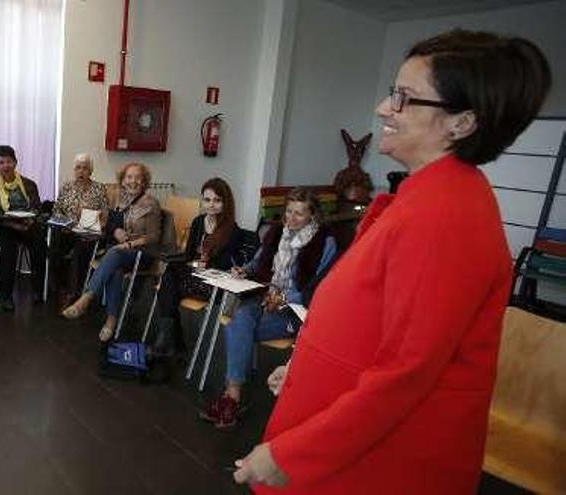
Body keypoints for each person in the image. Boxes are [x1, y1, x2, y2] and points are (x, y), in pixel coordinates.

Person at [232, 29, 551, 494]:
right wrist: (304, 369)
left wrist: (294, 453)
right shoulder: (426, 199)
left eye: (404, 98)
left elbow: (407, 372)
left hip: (381, 462)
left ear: (462, 122)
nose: (384, 108)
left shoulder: (446, 216)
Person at [202, 188, 336, 428]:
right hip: (265, 296)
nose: (291, 219)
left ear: (313, 216)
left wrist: (284, 297)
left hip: (294, 308)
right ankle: (232, 398)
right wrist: (246, 270)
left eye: (299, 214)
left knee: (237, 326)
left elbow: (319, 288)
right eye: (288, 212)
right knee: (241, 319)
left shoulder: (325, 242)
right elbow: (259, 261)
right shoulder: (277, 232)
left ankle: (231, 398)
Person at [61, 162, 161, 342]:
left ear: (144, 181)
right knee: (115, 268)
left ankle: (86, 298)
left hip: (142, 253)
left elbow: (154, 237)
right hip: (120, 254)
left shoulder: (151, 204)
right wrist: (115, 231)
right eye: (129, 177)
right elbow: (110, 226)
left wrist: (129, 245)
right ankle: (111, 320)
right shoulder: (119, 200)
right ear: (122, 181)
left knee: (114, 253)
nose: (133, 181)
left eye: (138, 178)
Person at [150, 177, 241, 356]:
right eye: (207, 200)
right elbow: (189, 254)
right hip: (194, 273)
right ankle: (170, 337)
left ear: (226, 203)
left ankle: (170, 338)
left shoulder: (232, 229)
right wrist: (192, 263)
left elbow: (224, 265)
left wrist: (202, 264)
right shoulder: (199, 222)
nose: (211, 205)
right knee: (170, 275)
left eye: (217, 200)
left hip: (213, 283)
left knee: (168, 286)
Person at [0, 145, 45, 313]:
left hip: (26, 224)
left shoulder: (29, 184)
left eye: (9, 161)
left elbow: (37, 207)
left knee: (39, 241)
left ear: (15, 162)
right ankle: (5, 296)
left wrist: (30, 219)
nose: (5, 166)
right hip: (2, 225)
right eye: (1, 162)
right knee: (9, 248)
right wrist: (9, 222)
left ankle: (39, 289)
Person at [49, 153, 108, 303]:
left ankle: (76, 291)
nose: (81, 171)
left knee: (81, 248)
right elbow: (56, 210)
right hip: (67, 229)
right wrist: (64, 222)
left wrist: (97, 222)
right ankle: (58, 286)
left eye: (85, 168)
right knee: (56, 244)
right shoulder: (67, 187)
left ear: (91, 171)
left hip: (88, 231)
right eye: (78, 168)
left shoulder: (100, 188)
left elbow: (106, 213)